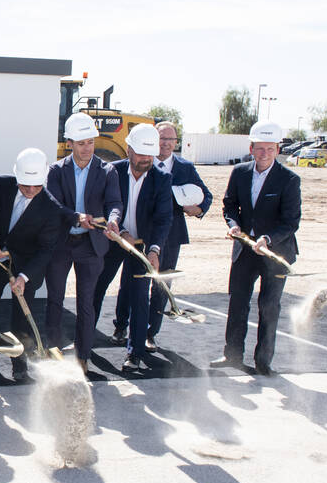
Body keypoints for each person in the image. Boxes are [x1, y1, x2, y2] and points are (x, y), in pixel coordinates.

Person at [0, 148, 79, 381]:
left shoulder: (51, 209)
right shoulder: (2, 185)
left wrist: (23, 277)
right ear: (17, 176)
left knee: (21, 317)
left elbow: (46, 250)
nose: (30, 191)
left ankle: (19, 367)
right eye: (25, 185)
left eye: (36, 186)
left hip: (27, 268)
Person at [211, 120, 301, 376]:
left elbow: (291, 221)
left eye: (270, 149)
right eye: (260, 149)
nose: (264, 154)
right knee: (238, 302)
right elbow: (229, 205)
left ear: (277, 149)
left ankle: (263, 362)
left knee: (269, 306)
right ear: (251, 148)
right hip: (244, 249)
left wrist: (267, 240)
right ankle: (232, 356)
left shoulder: (289, 180)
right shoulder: (239, 173)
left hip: (275, 252)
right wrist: (233, 225)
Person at [43, 112, 123, 375]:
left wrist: (112, 220)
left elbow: (114, 203)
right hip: (62, 245)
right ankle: (52, 353)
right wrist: (76, 217)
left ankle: (82, 357)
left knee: (85, 303)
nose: (87, 148)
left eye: (90, 142)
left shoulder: (107, 170)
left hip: (92, 246)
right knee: (55, 300)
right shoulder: (55, 171)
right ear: (69, 143)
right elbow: (52, 206)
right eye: (81, 143)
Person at [91, 124, 173, 372]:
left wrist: (154, 250)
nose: (145, 160)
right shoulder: (111, 172)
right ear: (128, 150)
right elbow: (101, 206)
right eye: (140, 154)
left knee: (139, 297)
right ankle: (84, 343)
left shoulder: (162, 179)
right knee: (96, 288)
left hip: (142, 247)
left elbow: (163, 218)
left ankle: (134, 353)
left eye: (149, 155)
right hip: (113, 241)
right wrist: (120, 231)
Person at [139, 121, 212, 348]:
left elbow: (206, 196)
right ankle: (125, 326)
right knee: (137, 284)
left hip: (171, 236)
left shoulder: (185, 167)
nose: (166, 144)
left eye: (171, 139)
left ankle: (150, 333)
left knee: (162, 285)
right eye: (162, 139)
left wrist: (199, 209)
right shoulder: (143, 163)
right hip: (142, 233)